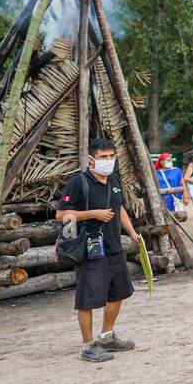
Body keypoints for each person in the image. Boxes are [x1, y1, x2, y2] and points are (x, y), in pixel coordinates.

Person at [56, 138, 141, 363]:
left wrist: (132, 233)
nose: (109, 161)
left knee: (118, 292)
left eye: (111, 156)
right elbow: (62, 215)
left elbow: (119, 207)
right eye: (104, 157)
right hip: (90, 249)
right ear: (91, 160)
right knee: (88, 298)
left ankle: (107, 336)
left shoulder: (114, 179)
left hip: (114, 246)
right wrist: (92, 214)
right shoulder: (78, 183)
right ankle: (88, 346)